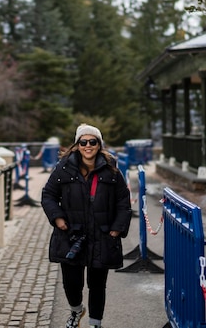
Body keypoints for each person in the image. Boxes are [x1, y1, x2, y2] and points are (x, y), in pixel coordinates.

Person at [41, 123, 132, 328]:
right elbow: (48, 195)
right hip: (71, 234)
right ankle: (76, 310)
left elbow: (123, 202)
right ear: (77, 144)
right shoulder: (63, 168)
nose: (88, 145)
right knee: (72, 283)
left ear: (99, 145)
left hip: (102, 235)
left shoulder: (111, 171)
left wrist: (117, 228)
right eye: (83, 142)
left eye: (93, 141)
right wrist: (58, 218)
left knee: (97, 284)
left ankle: (95, 323)